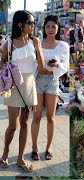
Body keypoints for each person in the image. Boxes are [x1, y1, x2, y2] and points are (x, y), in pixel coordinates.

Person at [0, 10, 45, 172]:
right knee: (13, 125)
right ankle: (5, 153)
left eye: (33, 23)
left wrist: (39, 48)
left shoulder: (35, 42)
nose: (33, 25)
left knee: (25, 123)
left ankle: (20, 158)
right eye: (30, 23)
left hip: (29, 84)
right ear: (20, 25)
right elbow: (2, 61)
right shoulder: (9, 43)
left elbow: (41, 67)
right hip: (13, 86)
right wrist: (7, 71)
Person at [31, 15, 69, 161]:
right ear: (44, 28)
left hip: (53, 80)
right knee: (36, 116)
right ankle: (34, 148)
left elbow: (65, 65)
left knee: (51, 117)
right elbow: (33, 62)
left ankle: (49, 147)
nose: (51, 29)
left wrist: (56, 65)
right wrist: (40, 68)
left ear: (58, 28)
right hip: (38, 80)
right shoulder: (38, 43)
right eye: (48, 26)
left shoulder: (63, 45)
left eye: (54, 26)